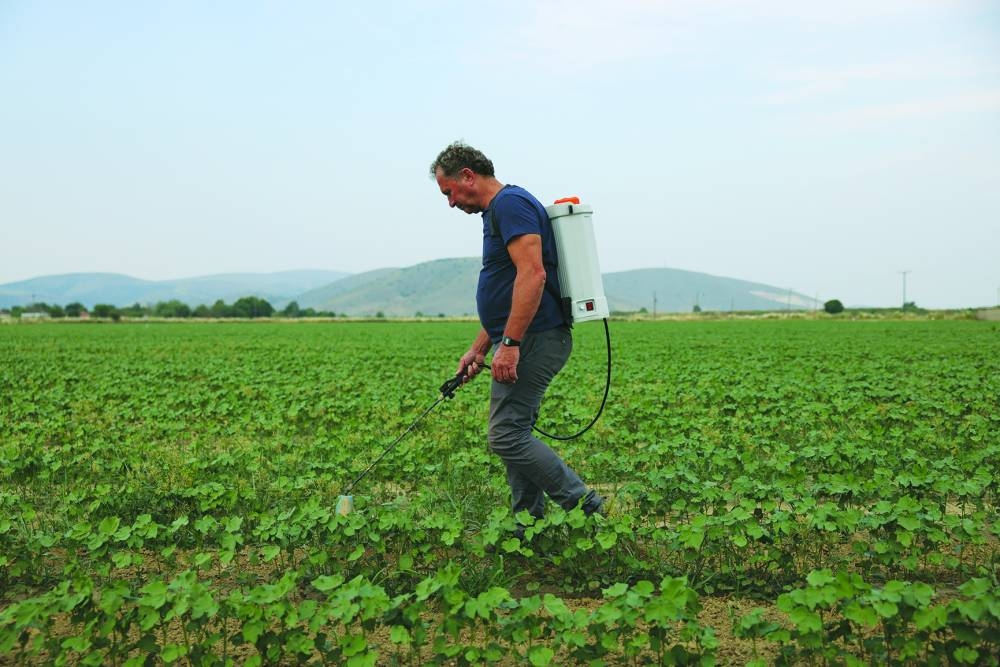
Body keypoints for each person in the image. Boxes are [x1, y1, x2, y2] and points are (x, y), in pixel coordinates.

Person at [429, 141, 604, 528]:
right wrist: (480, 348)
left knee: (506, 435)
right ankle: (528, 525)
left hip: (537, 339)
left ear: (468, 177)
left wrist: (509, 345)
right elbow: (508, 292)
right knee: (515, 433)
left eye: (450, 192)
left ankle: (586, 507)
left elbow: (533, 275)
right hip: (528, 338)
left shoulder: (510, 205)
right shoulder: (499, 212)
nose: (451, 203)